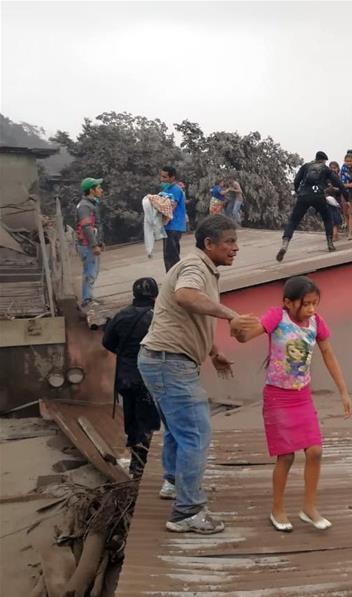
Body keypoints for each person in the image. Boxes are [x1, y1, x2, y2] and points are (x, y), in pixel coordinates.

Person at [137, 215, 245, 534]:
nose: (235, 248)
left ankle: (173, 483)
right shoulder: (195, 267)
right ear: (208, 244)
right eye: (229, 242)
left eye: (235, 242)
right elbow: (186, 296)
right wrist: (230, 315)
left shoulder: (202, 267)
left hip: (161, 360)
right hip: (170, 362)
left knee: (176, 429)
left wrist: (213, 353)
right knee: (195, 434)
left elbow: (189, 317)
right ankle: (187, 511)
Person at [230, 276, 352, 532]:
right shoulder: (277, 317)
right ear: (288, 302)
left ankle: (309, 508)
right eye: (306, 304)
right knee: (285, 456)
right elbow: (246, 336)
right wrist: (237, 327)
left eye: (315, 304)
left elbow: (329, 354)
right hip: (277, 396)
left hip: (302, 396)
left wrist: (343, 391)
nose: (311, 309)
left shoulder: (317, 323)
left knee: (315, 451)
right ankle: (277, 509)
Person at [102, 277, 161, 479]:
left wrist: (125, 353)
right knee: (148, 423)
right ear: (155, 295)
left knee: (133, 421)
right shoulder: (156, 317)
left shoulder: (121, 315)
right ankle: (141, 468)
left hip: (125, 378)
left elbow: (107, 342)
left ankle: (136, 465)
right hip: (148, 377)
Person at [278, 151, 346, 260]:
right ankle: (330, 243)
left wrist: (298, 191)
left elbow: (296, 181)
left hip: (304, 196)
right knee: (327, 218)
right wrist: (346, 197)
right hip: (319, 196)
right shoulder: (325, 168)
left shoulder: (305, 166)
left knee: (293, 221)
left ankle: (285, 244)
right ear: (324, 160)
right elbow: (338, 183)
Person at [75, 177, 105, 309]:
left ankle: (89, 297)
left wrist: (99, 242)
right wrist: (94, 245)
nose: (101, 190)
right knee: (90, 272)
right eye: (98, 188)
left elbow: (94, 226)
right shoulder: (84, 206)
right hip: (87, 245)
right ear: (91, 190)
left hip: (90, 244)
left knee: (93, 271)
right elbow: (86, 227)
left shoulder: (90, 204)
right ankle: (87, 300)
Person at [160, 166, 188, 272]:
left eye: (165, 177)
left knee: (171, 255)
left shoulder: (176, 190)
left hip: (174, 226)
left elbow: (172, 207)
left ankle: (175, 278)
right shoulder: (167, 189)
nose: (162, 179)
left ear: (172, 178)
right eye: (161, 176)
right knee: (168, 254)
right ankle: (172, 278)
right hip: (168, 226)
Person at [339, 152, 352, 240]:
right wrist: (343, 185)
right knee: (345, 213)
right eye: (347, 161)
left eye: (350, 161)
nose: (349, 163)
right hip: (344, 193)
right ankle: (349, 231)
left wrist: (343, 185)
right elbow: (340, 181)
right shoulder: (343, 169)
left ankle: (351, 233)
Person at [325, 161, 344, 242]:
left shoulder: (339, 177)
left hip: (338, 200)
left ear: (338, 169)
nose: (333, 169)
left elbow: (341, 189)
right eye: (331, 168)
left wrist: (336, 188)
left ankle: (336, 234)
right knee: (332, 218)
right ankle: (334, 235)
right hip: (329, 200)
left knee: (337, 218)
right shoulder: (326, 178)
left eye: (335, 168)